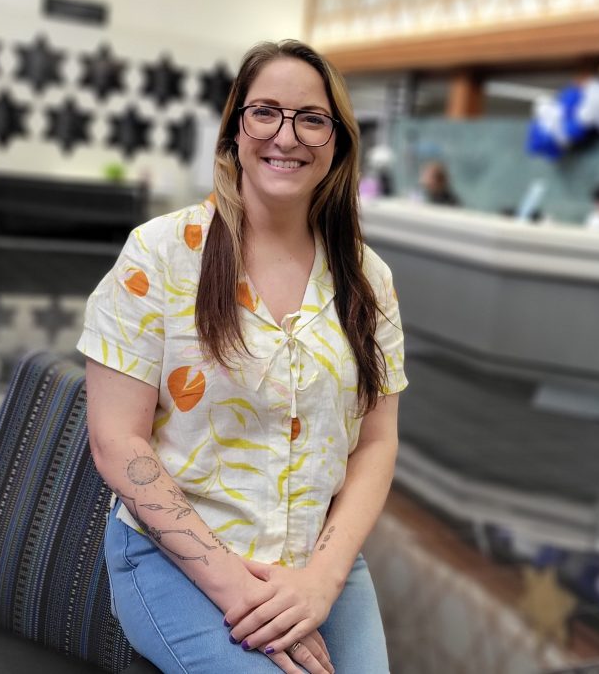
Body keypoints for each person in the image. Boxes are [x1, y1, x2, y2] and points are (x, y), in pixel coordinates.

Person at [78, 40, 407, 674]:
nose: (288, 136)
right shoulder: (159, 253)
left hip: (317, 555)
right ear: (234, 130)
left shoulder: (368, 279)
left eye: (312, 118)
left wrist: (320, 581)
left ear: (337, 140)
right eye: (266, 112)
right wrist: (240, 593)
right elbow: (117, 441)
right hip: (178, 556)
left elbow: (376, 443)